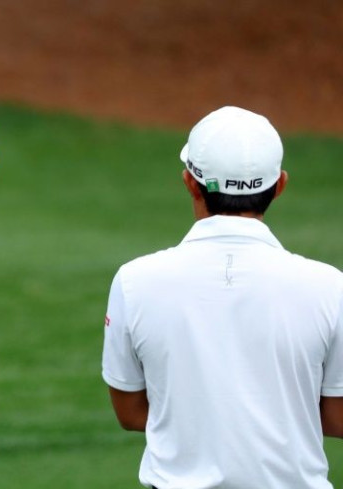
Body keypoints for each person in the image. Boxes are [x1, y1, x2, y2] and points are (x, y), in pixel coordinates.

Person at [101, 106, 343, 488]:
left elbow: (130, 412)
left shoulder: (134, 281)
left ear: (190, 182)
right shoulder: (330, 287)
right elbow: (337, 418)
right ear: (279, 185)